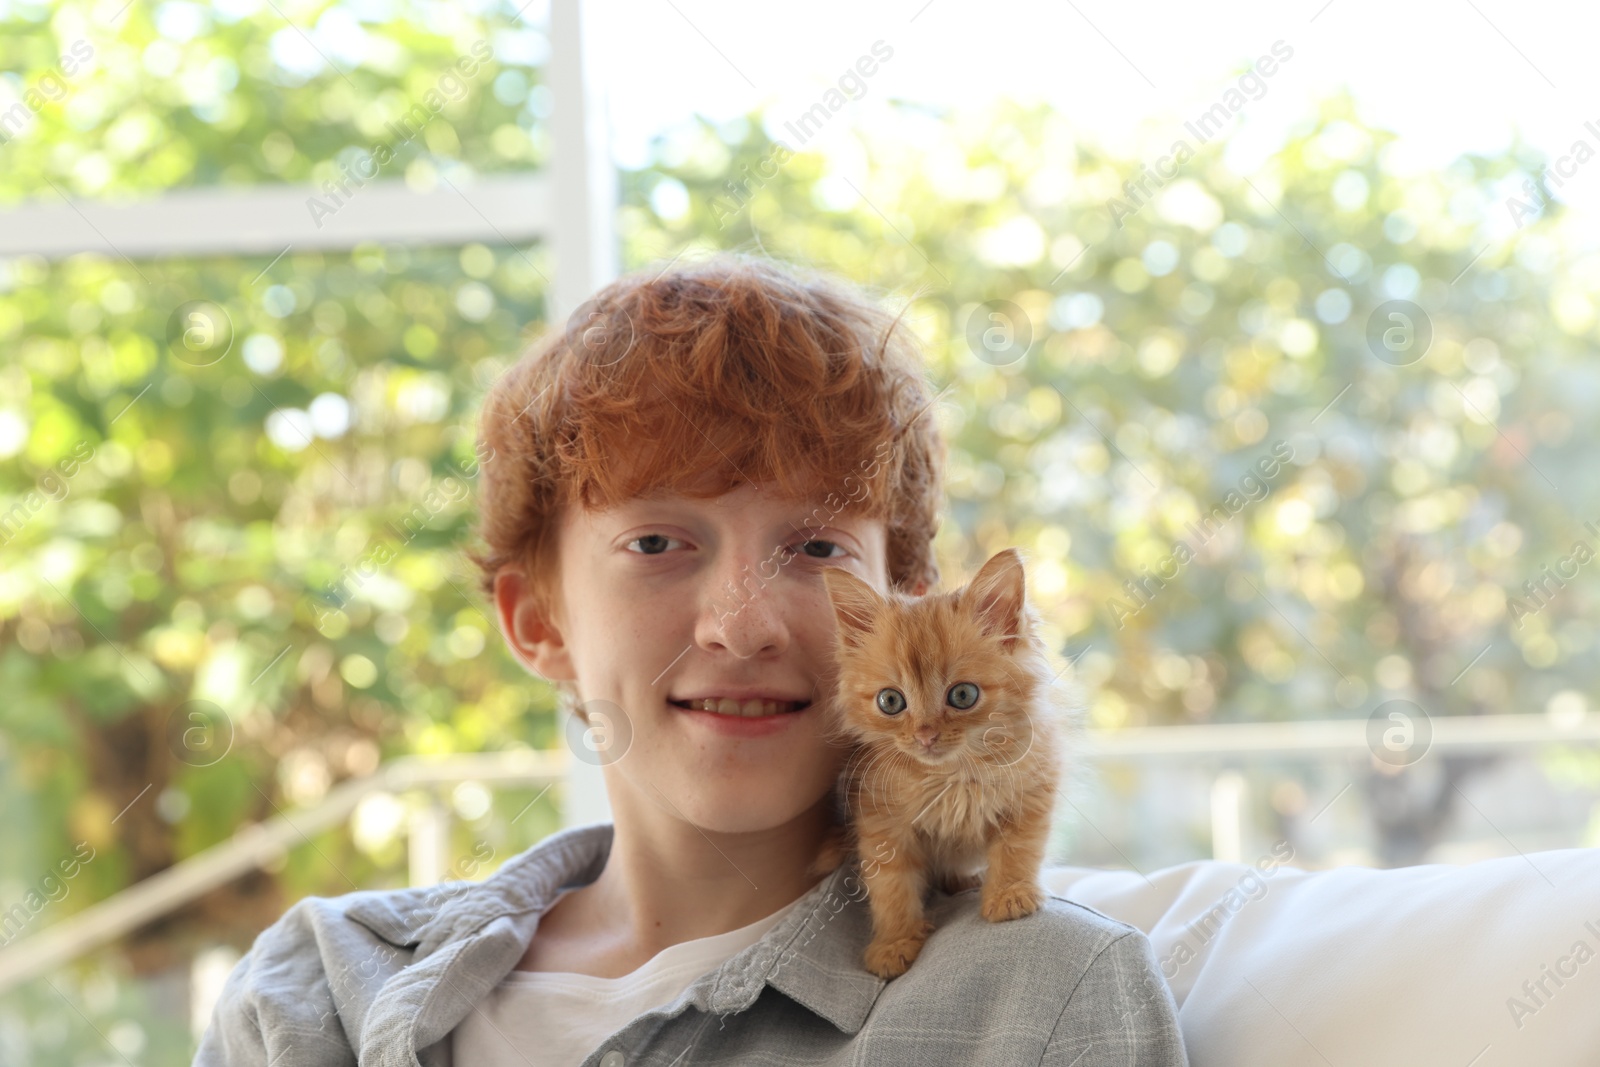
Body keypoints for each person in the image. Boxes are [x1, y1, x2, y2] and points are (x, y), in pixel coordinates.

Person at [194, 255, 1188, 1066]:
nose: (740, 626)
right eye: (658, 544)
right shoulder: (314, 989)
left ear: (910, 609)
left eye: (815, 549)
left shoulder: (1039, 999)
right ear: (539, 622)